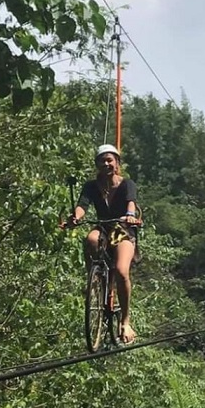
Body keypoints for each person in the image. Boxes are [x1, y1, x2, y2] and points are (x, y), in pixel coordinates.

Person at [61, 144, 142, 344]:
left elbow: (131, 203)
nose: (106, 163)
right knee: (90, 239)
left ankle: (125, 321)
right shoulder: (91, 186)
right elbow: (82, 205)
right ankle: (95, 280)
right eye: (102, 160)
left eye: (110, 160)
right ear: (97, 164)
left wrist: (130, 216)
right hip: (104, 228)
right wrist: (76, 218)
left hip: (123, 230)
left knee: (122, 271)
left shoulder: (127, 184)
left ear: (117, 163)